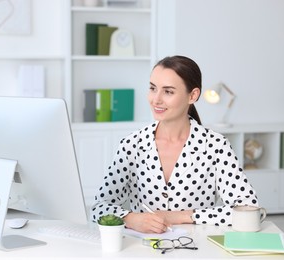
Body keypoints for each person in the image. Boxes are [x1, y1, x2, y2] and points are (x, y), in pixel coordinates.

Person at [90, 55, 259, 234]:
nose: (156, 99)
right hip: (142, 250)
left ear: (192, 95)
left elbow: (248, 210)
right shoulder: (132, 145)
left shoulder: (216, 146)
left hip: (196, 250)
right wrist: (131, 219)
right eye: (153, 88)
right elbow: (100, 207)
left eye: (168, 91)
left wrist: (179, 216)